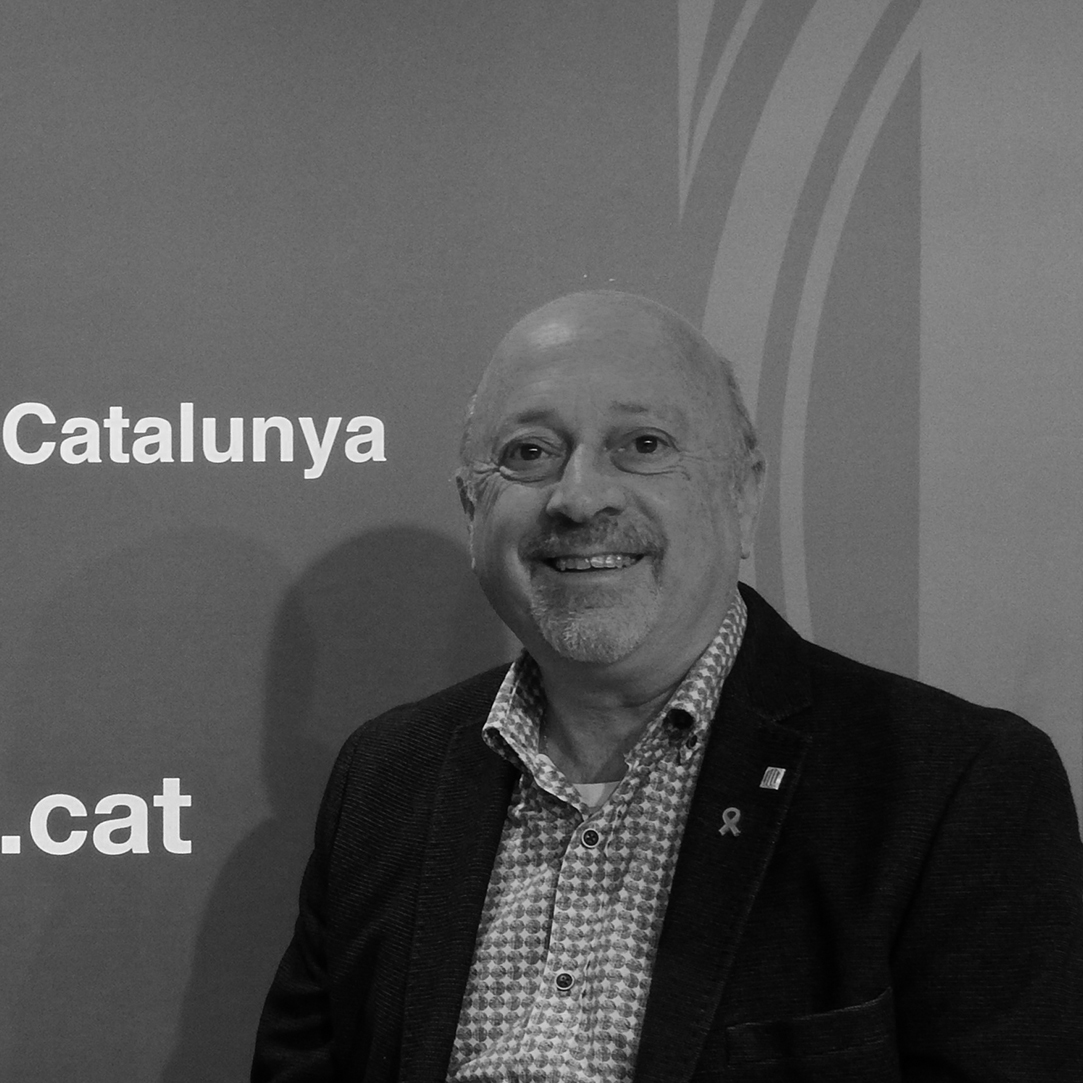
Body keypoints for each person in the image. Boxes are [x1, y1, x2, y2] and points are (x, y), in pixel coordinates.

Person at [252, 291, 1083, 1082]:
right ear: (473, 509)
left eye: (642, 444)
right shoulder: (386, 778)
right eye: (529, 453)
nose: (579, 497)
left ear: (743, 491)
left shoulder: (953, 789)